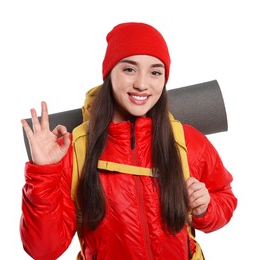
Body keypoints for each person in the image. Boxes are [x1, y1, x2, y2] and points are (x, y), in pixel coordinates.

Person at [20, 22, 237, 260]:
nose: (142, 84)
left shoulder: (186, 141)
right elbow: (44, 250)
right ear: (109, 73)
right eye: (129, 70)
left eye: (155, 72)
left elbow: (224, 197)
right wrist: (44, 172)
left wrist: (206, 207)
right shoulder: (75, 150)